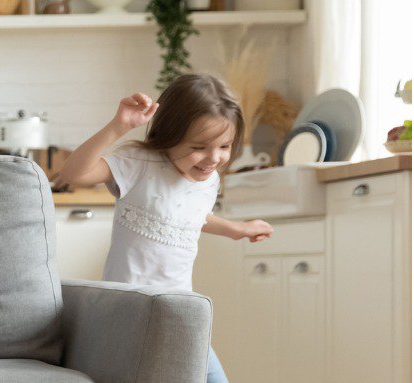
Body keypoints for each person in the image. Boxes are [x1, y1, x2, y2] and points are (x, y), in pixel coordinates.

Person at [53, 73, 275, 383]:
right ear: (170, 135)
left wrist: (235, 228)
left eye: (224, 146)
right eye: (199, 147)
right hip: (131, 310)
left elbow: (188, 217)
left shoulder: (207, 180)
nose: (214, 158)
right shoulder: (138, 163)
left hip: (181, 310)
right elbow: (73, 173)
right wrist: (118, 127)